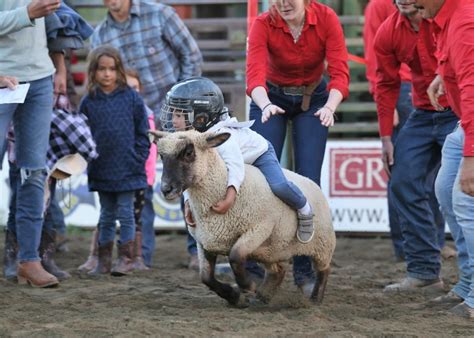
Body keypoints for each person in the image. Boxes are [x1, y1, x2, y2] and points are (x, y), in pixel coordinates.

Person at [246, 0, 349, 292]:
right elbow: (253, 73)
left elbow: (341, 72)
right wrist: (264, 105)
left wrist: (330, 107)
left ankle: (304, 270)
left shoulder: (327, 19)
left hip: (314, 99)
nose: (284, 3)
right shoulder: (263, 24)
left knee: (308, 182)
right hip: (270, 96)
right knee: (258, 177)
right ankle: (253, 263)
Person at [373, 0, 459, 293]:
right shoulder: (387, 32)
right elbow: (386, 82)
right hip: (423, 113)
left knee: (461, 191)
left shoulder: (450, 18)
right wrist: (386, 136)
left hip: (458, 111)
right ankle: (424, 272)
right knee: (402, 182)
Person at [414, 0, 474, 319]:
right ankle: (467, 285)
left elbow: (472, 85)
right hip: (464, 122)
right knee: (446, 192)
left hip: (470, 122)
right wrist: (442, 74)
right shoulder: (445, 18)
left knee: (465, 199)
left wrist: (472, 157)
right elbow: (462, 65)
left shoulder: (464, 21)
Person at [1, 0, 67, 288]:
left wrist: (58, 66)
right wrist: (27, 13)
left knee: (34, 171)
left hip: (39, 78)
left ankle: (29, 259)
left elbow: (56, 24)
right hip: (3, 78)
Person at [80, 45, 150, 276]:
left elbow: (143, 133)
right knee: (106, 214)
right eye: (101, 69)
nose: (107, 74)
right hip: (102, 167)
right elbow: (82, 134)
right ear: (94, 71)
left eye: (111, 69)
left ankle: (125, 260)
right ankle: (104, 262)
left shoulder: (132, 98)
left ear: (119, 70)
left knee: (126, 213)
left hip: (128, 167)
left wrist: (138, 158)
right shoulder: (89, 101)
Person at [90, 0, 202, 123]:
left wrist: (181, 101)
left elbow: (192, 55)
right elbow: (99, 84)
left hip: (176, 116)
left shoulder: (160, 14)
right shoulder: (99, 37)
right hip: (132, 123)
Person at [363, 0, 413, 261]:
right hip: (401, 89)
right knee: (400, 172)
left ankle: (431, 244)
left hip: (419, 86)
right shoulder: (379, 6)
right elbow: (374, 55)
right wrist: (383, 100)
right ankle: (404, 247)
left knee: (429, 174)